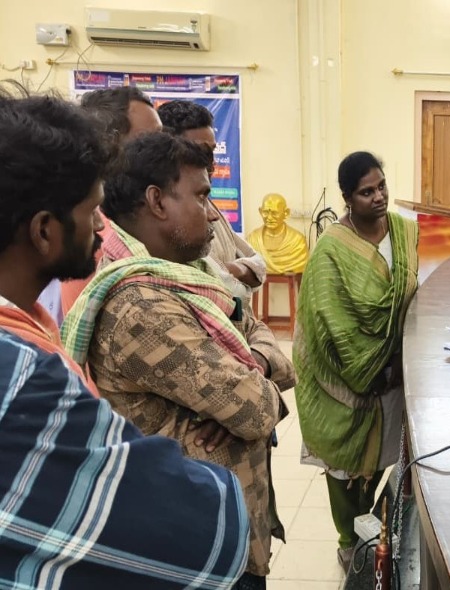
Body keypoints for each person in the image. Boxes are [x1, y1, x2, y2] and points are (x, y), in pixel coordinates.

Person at [0, 89, 249, 587]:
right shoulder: (25, 376)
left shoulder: (32, 328)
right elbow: (204, 528)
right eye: (92, 210)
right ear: (44, 231)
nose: (101, 224)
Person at [61, 132, 295, 590]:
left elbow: (267, 344)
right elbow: (257, 410)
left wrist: (251, 366)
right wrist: (249, 381)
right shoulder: (140, 306)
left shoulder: (193, 278)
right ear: (157, 201)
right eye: (202, 196)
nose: (213, 213)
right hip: (197, 547)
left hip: (230, 525)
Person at [293, 151, 419, 570]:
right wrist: (366, 368)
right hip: (345, 378)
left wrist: (394, 360)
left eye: (382, 186)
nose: (379, 197)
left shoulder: (403, 232)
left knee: (383, 457)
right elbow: (328, 321)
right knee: (346, 467)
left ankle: (373, 532)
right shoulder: (331, 249)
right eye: (367, 192)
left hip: (394, 370)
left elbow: (409, 293)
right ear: (347, 198)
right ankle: (349, 541)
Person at [60, 87, 163, 316]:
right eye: (150, 139)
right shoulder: (91, 228)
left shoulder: (138, 217)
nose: (164, 147)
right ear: (109, 144)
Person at [157, 99, 266, 301]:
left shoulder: (211, 209)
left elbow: (259, 265)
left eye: (212, 151)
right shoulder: (168, 217)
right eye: (200, 152)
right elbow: (230, 294)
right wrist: (234, 275)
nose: (211, 162)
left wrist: (231, 270)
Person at [247, 193, 309, 274]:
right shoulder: (252, 239)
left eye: (274, 213)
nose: (269, 217)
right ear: (260, 211)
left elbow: (300, 266)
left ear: (286, 213)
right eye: (265, 212)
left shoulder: (297, 241)